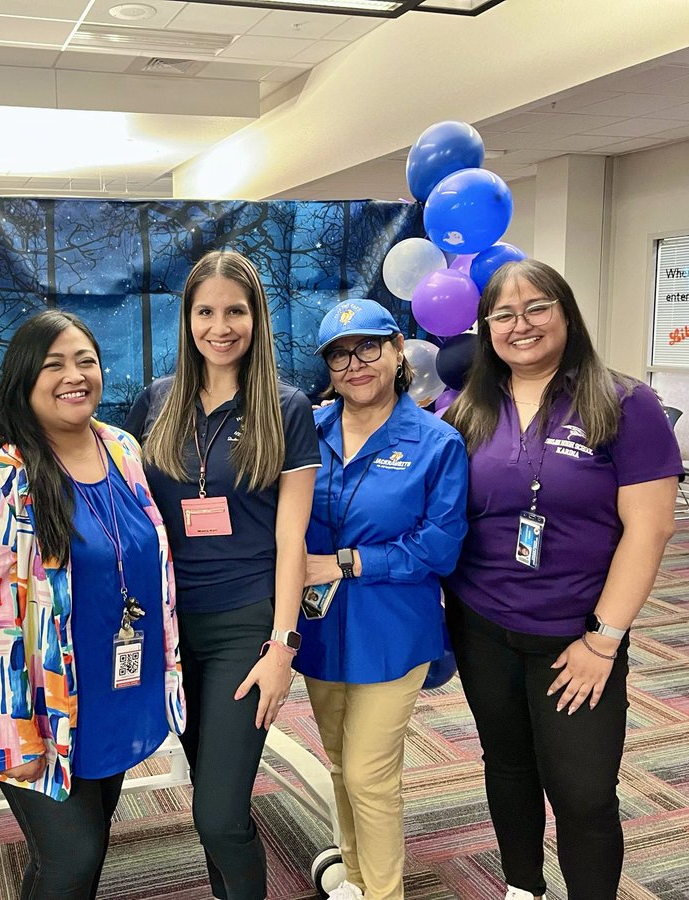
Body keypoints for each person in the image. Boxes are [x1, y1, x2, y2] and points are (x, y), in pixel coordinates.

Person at [443, 259, 680, 900]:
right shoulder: (463, 408)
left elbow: (650, 529)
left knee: (582, 792)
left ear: (566, 313)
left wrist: (604, 640)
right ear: (485, 327)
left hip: (577, 634)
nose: (521, 325)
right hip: (481, 624)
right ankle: (523, 887)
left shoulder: (624, 403)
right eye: (504, 314)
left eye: (537, 307)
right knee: (509, 767)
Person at [0, 309, 185, 898]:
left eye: (85, 361)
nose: (74, 376)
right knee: (72, 857)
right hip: (39, 708)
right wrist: (11, 732)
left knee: (84, 846)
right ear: (23, 379)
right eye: (53, 365)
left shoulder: (122, 447)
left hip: (110, 691)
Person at [124, 249, 319, 900]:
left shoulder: (286, 408)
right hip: (173, 630)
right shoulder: (156, 402)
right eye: (205, 311)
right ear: (188, 319)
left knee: (217, 810)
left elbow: (293, 537)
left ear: (257, 318)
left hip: (246, 625)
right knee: (210, 790)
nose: (220, 326)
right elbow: (133, 515)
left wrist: (282, 644)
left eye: (235, 311)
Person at [296, 299, 468, 900]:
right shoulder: (306, 433)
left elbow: (439, 548)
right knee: (341, 763)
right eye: (340, 354)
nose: (355, 363)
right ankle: (357, 876)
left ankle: (384, 893)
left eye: (369, 347)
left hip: (392, 631)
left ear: (399, 350)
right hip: (318, 629)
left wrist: (347, 562)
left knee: (370, 774)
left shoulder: (435, 442)